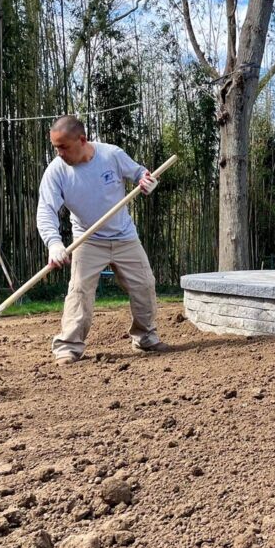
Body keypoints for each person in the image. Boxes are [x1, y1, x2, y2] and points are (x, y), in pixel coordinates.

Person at [36, 115, 169, 366]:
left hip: (124, 236)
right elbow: (45, 211)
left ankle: (145, 337)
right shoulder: (56, 171)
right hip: (88, 239)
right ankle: (68, 347)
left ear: (82, 140)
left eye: (63, 146)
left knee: (145, 286)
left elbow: (140, 172)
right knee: (79, 292)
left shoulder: (111, 155)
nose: (59, 153)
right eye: (55, 147)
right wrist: (54, 243)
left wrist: (147, 181)